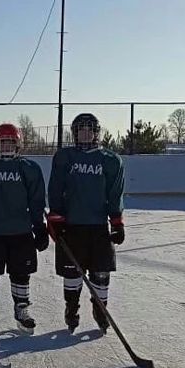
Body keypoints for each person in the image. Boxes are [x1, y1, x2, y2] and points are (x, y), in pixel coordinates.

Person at [47, 113, 125, 334]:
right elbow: (56, 188)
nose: (85, 134)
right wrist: (56, 217)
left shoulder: (110, 160)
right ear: (74, 133)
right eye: (81, 130)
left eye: (89, 130)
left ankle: (101, 311)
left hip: (98, 228)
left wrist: (117, 222)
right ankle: (71, 309)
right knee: (72, 274)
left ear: (96, 133)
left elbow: (114, 193)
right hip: (72, 227)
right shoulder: (64, 157)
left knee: (101, 274)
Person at [0, 123, 48, 334]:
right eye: (2, 142)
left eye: (10, 142)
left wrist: (39, 227)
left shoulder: (29, 168)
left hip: (21, 232)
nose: (6, 146)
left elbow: (37, 200)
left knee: (21, 274)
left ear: (18, 143)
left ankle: (21, 309)